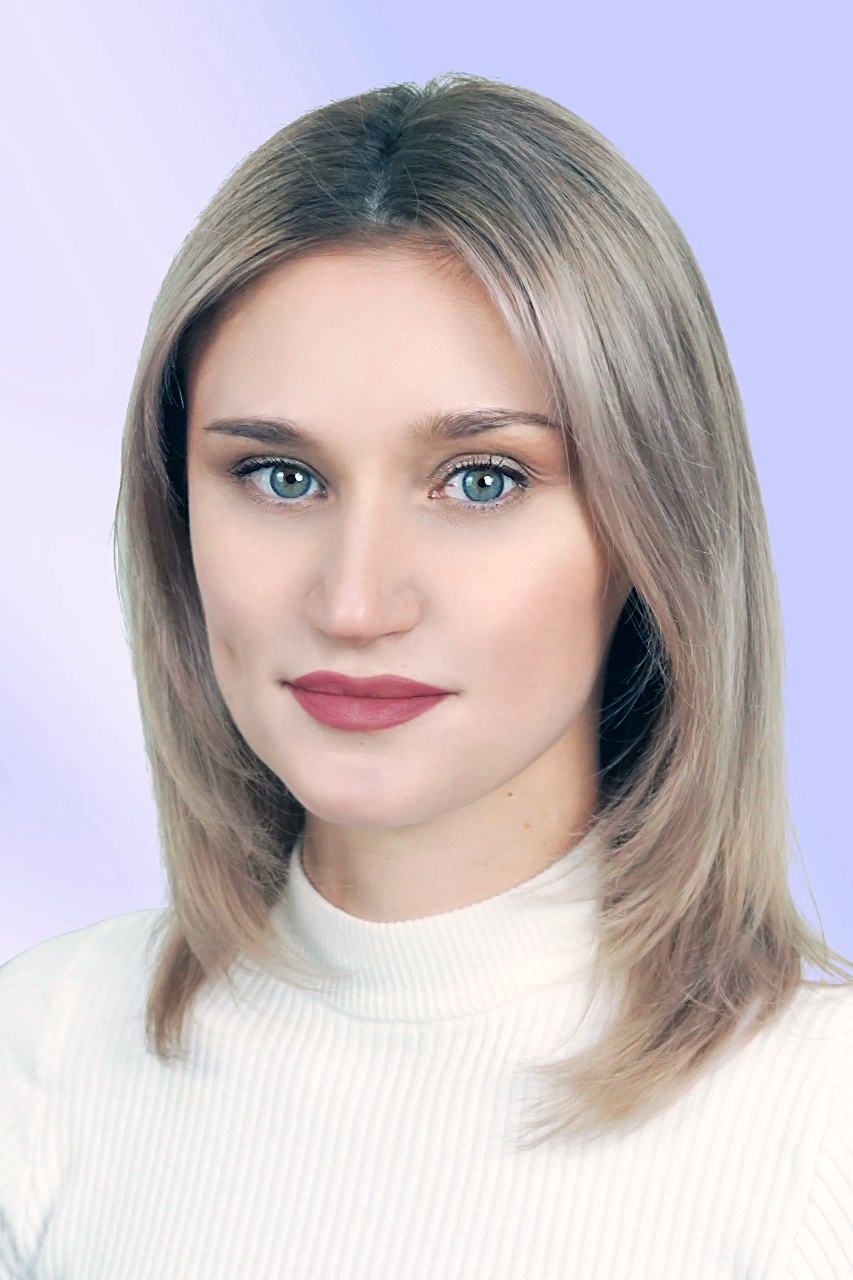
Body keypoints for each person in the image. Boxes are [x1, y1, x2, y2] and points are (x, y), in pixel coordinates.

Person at [1, 72, 851, 1279]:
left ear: (651, 529)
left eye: (481, 480)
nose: (355, 603)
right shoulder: (38, 1059)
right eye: (281, 478)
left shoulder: (821, 1131)